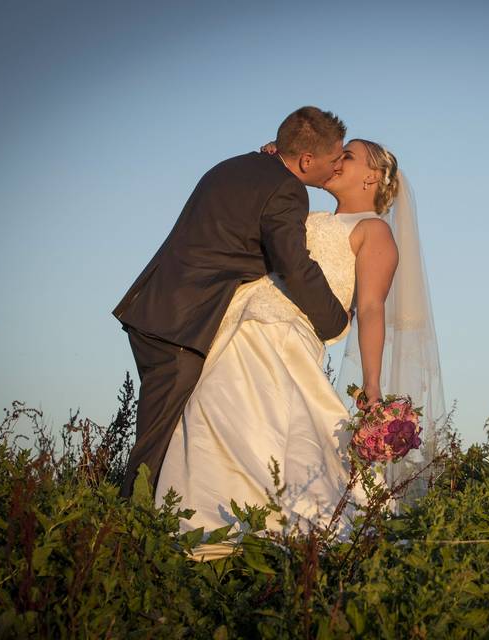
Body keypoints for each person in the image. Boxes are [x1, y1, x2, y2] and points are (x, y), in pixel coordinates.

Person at [154, 138, 445, 543]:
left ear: (372, 176)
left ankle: (249, 533)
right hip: (237, 324)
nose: (336, 160)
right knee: (212, 417)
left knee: (252, 421)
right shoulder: (304, 213)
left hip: (283, 337)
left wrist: (373, 383)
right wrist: (278, 158)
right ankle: (207, 529)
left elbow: (372, 307)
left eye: (348, 155)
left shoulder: (373, 230)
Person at [112, 107, 350, 498]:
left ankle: (146, 525)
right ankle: (125, 531)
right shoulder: (288, 190)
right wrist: (335, 322)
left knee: (170, 436)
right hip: (182, 324)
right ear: (307, 160)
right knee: (157, 444)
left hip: (159, 309)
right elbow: (293, 264)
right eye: (333, 157)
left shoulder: (235, 165)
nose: (336, 166)